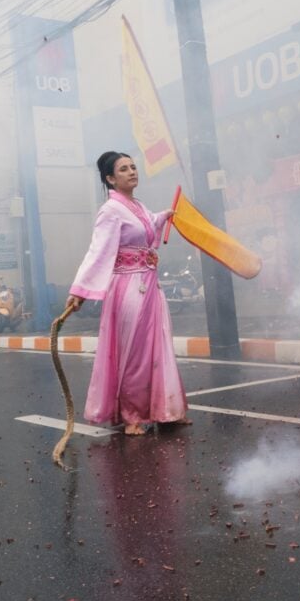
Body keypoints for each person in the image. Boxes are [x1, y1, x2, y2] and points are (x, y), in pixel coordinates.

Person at [66, 151, 189, 435]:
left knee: (160, 347)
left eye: (133, 167)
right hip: (127, 287)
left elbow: (147, 227)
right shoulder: (109, 211)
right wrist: (79, 290)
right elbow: (98, 252)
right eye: (124, 169)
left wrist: (163, 216)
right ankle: (132, 415)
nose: (132, 171)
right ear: (110, 179)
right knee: (134, 352)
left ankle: (168, 410)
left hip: (150, 284)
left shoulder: (138, 206)